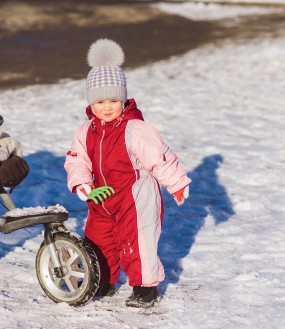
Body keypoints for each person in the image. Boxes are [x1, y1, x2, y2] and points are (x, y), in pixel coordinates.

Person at [64, 39, 191, 308]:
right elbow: (76, 162)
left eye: (113, 100)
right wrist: (83, 186)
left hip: (135, 196)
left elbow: (160, 157)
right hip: (100, 197)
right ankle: (105, 280)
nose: (107, 107)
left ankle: (145, 288)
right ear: (91, 102)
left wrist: (177, 183)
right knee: (98, 241)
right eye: (100, 101)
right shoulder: (84, 131)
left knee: (138, 240)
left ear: (123, 99)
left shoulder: (135, 129)